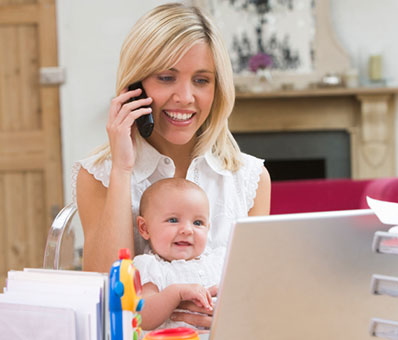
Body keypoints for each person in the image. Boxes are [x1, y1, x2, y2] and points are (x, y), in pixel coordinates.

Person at [74, 3, 271, 328]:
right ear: (134, 87)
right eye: (166, 78)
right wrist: (122, 169)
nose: (185, 97)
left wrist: (228, 316)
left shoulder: (249, 178)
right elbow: (106, 304)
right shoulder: (97, 176)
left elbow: (260, 296)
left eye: (201, 80)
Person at [132, 178, 225, 330]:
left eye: (198, 223)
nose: (187, 230)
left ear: (208, 228)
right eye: (173, 220)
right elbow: (142, 318)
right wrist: (176, 293)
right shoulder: (150, 266)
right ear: (144, 228)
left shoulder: (218, 260)